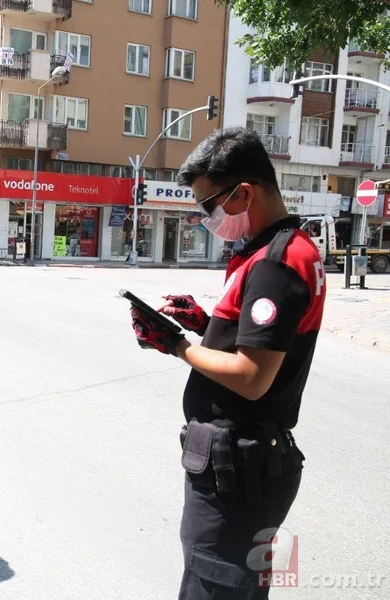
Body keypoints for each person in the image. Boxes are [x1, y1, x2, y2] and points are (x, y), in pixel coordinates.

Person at [128, 128, 326, 599]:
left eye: (207, 205)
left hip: (239, 468)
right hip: (242, 465)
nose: (204, 218)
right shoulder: (276, 250)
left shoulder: (276, 263)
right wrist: (201, 323)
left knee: (215, 584)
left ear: (243, 193)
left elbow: (253, 378)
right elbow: (254, 341)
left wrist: (175, 344)